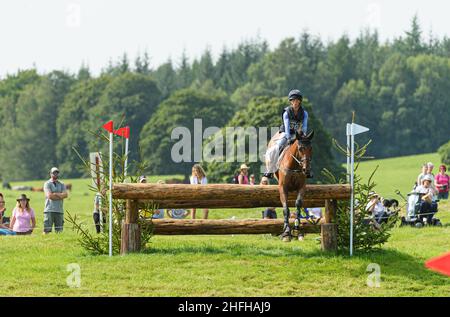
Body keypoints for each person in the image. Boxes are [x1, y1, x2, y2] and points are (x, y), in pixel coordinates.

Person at [264, 89, 311, 179]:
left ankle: (308, 170)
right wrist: (289, 138)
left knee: (307, 148)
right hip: (286, 133)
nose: (295, 102)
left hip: (298, 134)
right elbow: (286, 126)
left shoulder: (304, 113)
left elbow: (304, 126)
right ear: (291, 102)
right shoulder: (287, 112)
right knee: (278, 147)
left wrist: (303, 136)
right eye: (293, 100)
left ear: (300, 101)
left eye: (297, 100)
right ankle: (270, 169)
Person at [43, 167, 68, 234]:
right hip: (49, 210)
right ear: (50, 174)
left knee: (59, 231)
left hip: (59, 210)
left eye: (57, 173)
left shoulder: (62, 184)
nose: (55, 174)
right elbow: (50, 196)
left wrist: (55, 194)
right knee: (47, 231)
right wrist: (60, 196)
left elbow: (65, 195)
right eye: (54, 173)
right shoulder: (47, 183)